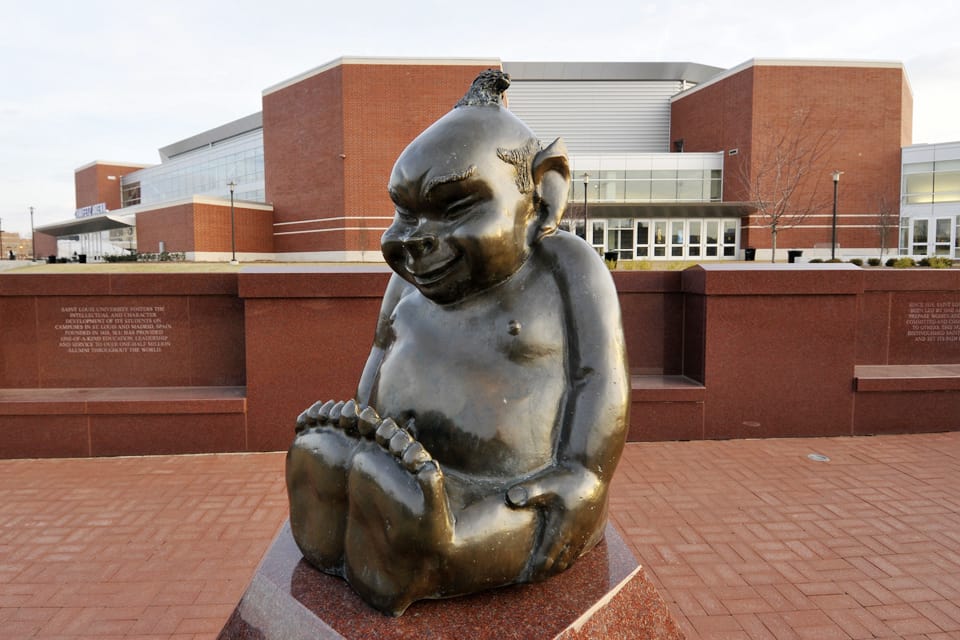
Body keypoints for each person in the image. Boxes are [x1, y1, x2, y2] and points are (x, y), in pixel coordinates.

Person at [286, 70, 629, 616]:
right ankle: (354, 500)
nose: (413, 239)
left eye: (457, 207)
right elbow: (382, 350)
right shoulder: (406, 281)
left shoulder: (566, 269)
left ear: (543, 194)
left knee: (487, 529)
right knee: (346, 462)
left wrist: (584, 472)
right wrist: (365, 431)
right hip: (409, 462)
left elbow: (600, 379)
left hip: (512, 487)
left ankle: (419, 546)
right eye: (404, 212)